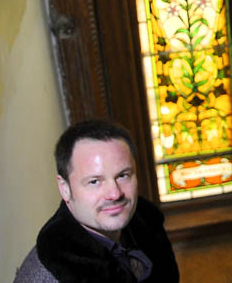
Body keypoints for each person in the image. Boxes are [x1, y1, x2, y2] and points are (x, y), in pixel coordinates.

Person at [13, 120, 179, 283]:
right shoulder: (45, 275)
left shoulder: (147, 226)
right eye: (94, 181)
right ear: (64, 188)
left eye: (123, 175)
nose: (115, 194)